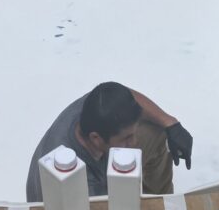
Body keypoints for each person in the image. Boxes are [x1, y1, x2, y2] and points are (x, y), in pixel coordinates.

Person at [25, 82, 193, 202]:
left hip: (100, 164)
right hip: (66, 208)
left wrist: (171, 124)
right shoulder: (74, 179)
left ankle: (159, 203)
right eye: (126, 138)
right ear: (96, 139)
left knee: (155, 131)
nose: (134, 142)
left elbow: (127, 96)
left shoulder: (96, 105)